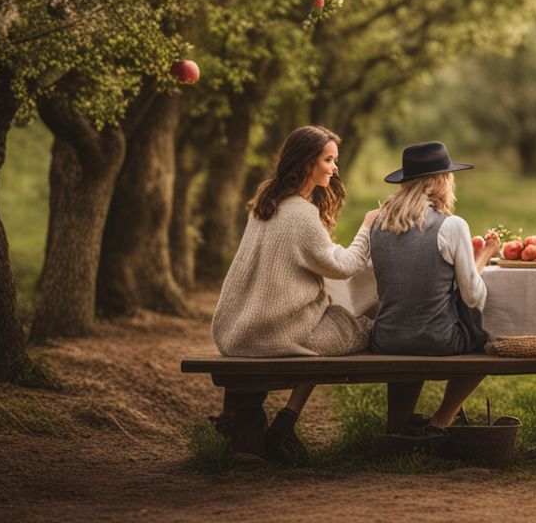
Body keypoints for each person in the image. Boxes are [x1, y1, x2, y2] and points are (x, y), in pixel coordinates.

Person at [211, 125, 379, 463]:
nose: (334, 168)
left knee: (332, 316)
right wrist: (367, 226)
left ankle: (256, 423)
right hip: (277, 334)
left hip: (238, 332)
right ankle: (285, 424)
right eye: (328, 160)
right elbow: (343, 266)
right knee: (364, 327)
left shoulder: (266, 203)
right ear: (306, 163)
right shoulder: (301, 214)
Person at [368, 141, 499, 432]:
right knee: (488, 343)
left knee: (410, 324)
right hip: (438, 341)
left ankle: (396, 426)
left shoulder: (377, 224)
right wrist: (485, 256)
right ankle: (441, 420)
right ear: (440, 181)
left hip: (386, 339)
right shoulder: (451, 225)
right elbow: (473, 295)